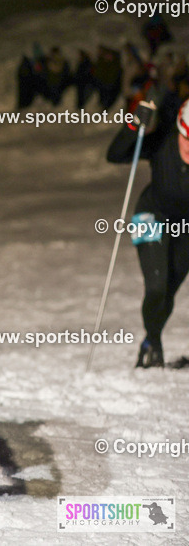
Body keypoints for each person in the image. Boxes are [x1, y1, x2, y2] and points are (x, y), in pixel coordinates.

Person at [105, 73, 183, 367]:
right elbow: (115, 155)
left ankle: (151, 342)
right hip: (151, 215)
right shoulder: (164, 142)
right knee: (156, 287)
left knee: (167, 292)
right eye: (186, 136)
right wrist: (133, 124)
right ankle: (152, 347)